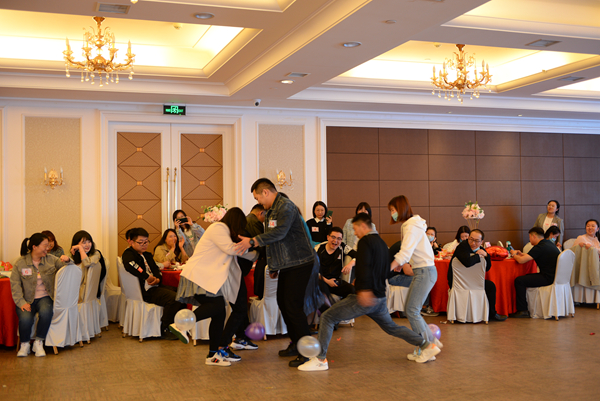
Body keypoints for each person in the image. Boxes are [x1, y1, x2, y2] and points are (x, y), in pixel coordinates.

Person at [298, 213, 440, 371]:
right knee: (392, 327)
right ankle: (426, 345)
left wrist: (364, 290)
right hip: (379, 297)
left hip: (365, 296)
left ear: (363, 226)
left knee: (327, 317)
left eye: (355, 229)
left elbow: (364, 267)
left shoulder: (365, 241)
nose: (355, 232)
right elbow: (384, 270)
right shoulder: (381, 243)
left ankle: (320, 359)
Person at [235, 178, 316, 368]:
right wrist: (274, 266)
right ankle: (296, 343)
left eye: (258, 197)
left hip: (300, 262)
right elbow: (275, 242)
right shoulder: (272, 210)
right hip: (288, 264)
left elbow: (279, 233)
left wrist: (252, 241)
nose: (258, 202)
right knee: (283, 302)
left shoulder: (285, 206)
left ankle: (307, 352)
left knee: (293, 306)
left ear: (265, 192)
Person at [172, 207, 257, 366]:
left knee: (219, 313)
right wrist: (256, 250)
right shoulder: (219, 228)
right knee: (217, 306)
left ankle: (213, 355)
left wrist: (255, 254)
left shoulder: (224, 232)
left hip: (206, 278)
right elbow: (231, 249)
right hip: (197, 276)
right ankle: (181, 325)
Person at [388, 195, 443, 362]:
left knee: (411, 310)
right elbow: (411, 251)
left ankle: (428, 347)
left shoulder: (411, 225)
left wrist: (389, 267)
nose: (392, 214)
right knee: (411, 309)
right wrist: (400, 264)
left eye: (393, 210)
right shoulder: (412, 224)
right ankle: (430, 343)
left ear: (401, 208)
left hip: (425, 272)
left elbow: (405, 252)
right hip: (423, 271)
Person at [10, 233, 71, 357]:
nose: (48, 248)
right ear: (34, 247)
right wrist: (21, 303)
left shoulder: (51, 260)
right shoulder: (20, 263)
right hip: (26, 299)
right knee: (25, 318)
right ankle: (25, 344)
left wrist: (68, 260)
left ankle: (39, 342)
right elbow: (15, 286)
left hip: (45, 297)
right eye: (45, 245)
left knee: (46, 312)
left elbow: (68, 268)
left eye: (48, 245)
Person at [122, 228, 186, 339]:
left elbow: (156, 269)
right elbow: (132, 265)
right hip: (146, 290)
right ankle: (165, 328)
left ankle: (178, 325)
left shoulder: (147, 255)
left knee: (181, 292)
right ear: (132, 242)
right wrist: (146, 276)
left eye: (146, 242)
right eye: (141, 242)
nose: (144, 245)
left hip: (155, 286)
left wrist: (158, 279)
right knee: (173, 298)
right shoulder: (129, 254)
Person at [448, 229, 507, 322]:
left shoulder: (481, 249)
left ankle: (491, 314)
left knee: (491, 286)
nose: (473, 243)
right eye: (471, 239)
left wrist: (486, 255)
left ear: (482, 241)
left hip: (474, 281)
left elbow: (487, 268)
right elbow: (467, 262)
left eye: (477, 241)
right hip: (458, 282)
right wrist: (478, 256)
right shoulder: (462, 247)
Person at [510, 227, 561, 318]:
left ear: (534, 236)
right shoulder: (548, 243)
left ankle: (522, 310)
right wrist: (520, 254)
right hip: (556, 276)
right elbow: (531, 255)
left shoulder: (539, 247)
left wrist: (513, 254)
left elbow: (521, 261)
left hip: (547, 278)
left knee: (519, 281)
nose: (529, 240)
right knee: (525, 278)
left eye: (529, 237)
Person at [315, 227, 356, 304]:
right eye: (333, 237)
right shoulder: (319, 248)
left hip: (335, 281)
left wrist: (350, 265)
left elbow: (358, 256)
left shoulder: (342, 247)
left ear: (341, 240)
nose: (335, 241)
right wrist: (327, 281)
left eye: (339, 238)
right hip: (321, 281)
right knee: (318, 286)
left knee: (352, 290)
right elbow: (312, 270)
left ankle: (342, 309)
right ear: (328, 237)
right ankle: (328, 307)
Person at [69, 230, 107, 302]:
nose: (87, 245)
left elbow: (87, 263)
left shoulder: (96, 253)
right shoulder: (74, 255)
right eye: (84, 243)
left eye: (89, 242)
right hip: (75, 287)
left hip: (88, 291)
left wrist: (80, 248)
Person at [246, 204, 268, 300]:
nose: (264, 220)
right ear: (261, 213)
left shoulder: (247, 219)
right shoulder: (255, 222)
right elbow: (260, 242)